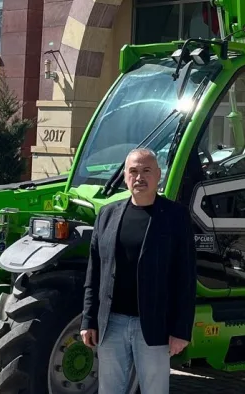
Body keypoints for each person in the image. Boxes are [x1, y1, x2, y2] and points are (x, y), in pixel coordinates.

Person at [80, 147, 197, 393]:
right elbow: (95, 273)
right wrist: (89, 319)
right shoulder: (107, 215)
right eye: (133, 171)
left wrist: (181, 330)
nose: (139, 177)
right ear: (124, 176)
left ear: (158, 175)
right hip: (112, 324)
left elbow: (185, 278)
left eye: (146, 171)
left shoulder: (176, 217)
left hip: (154, 326)